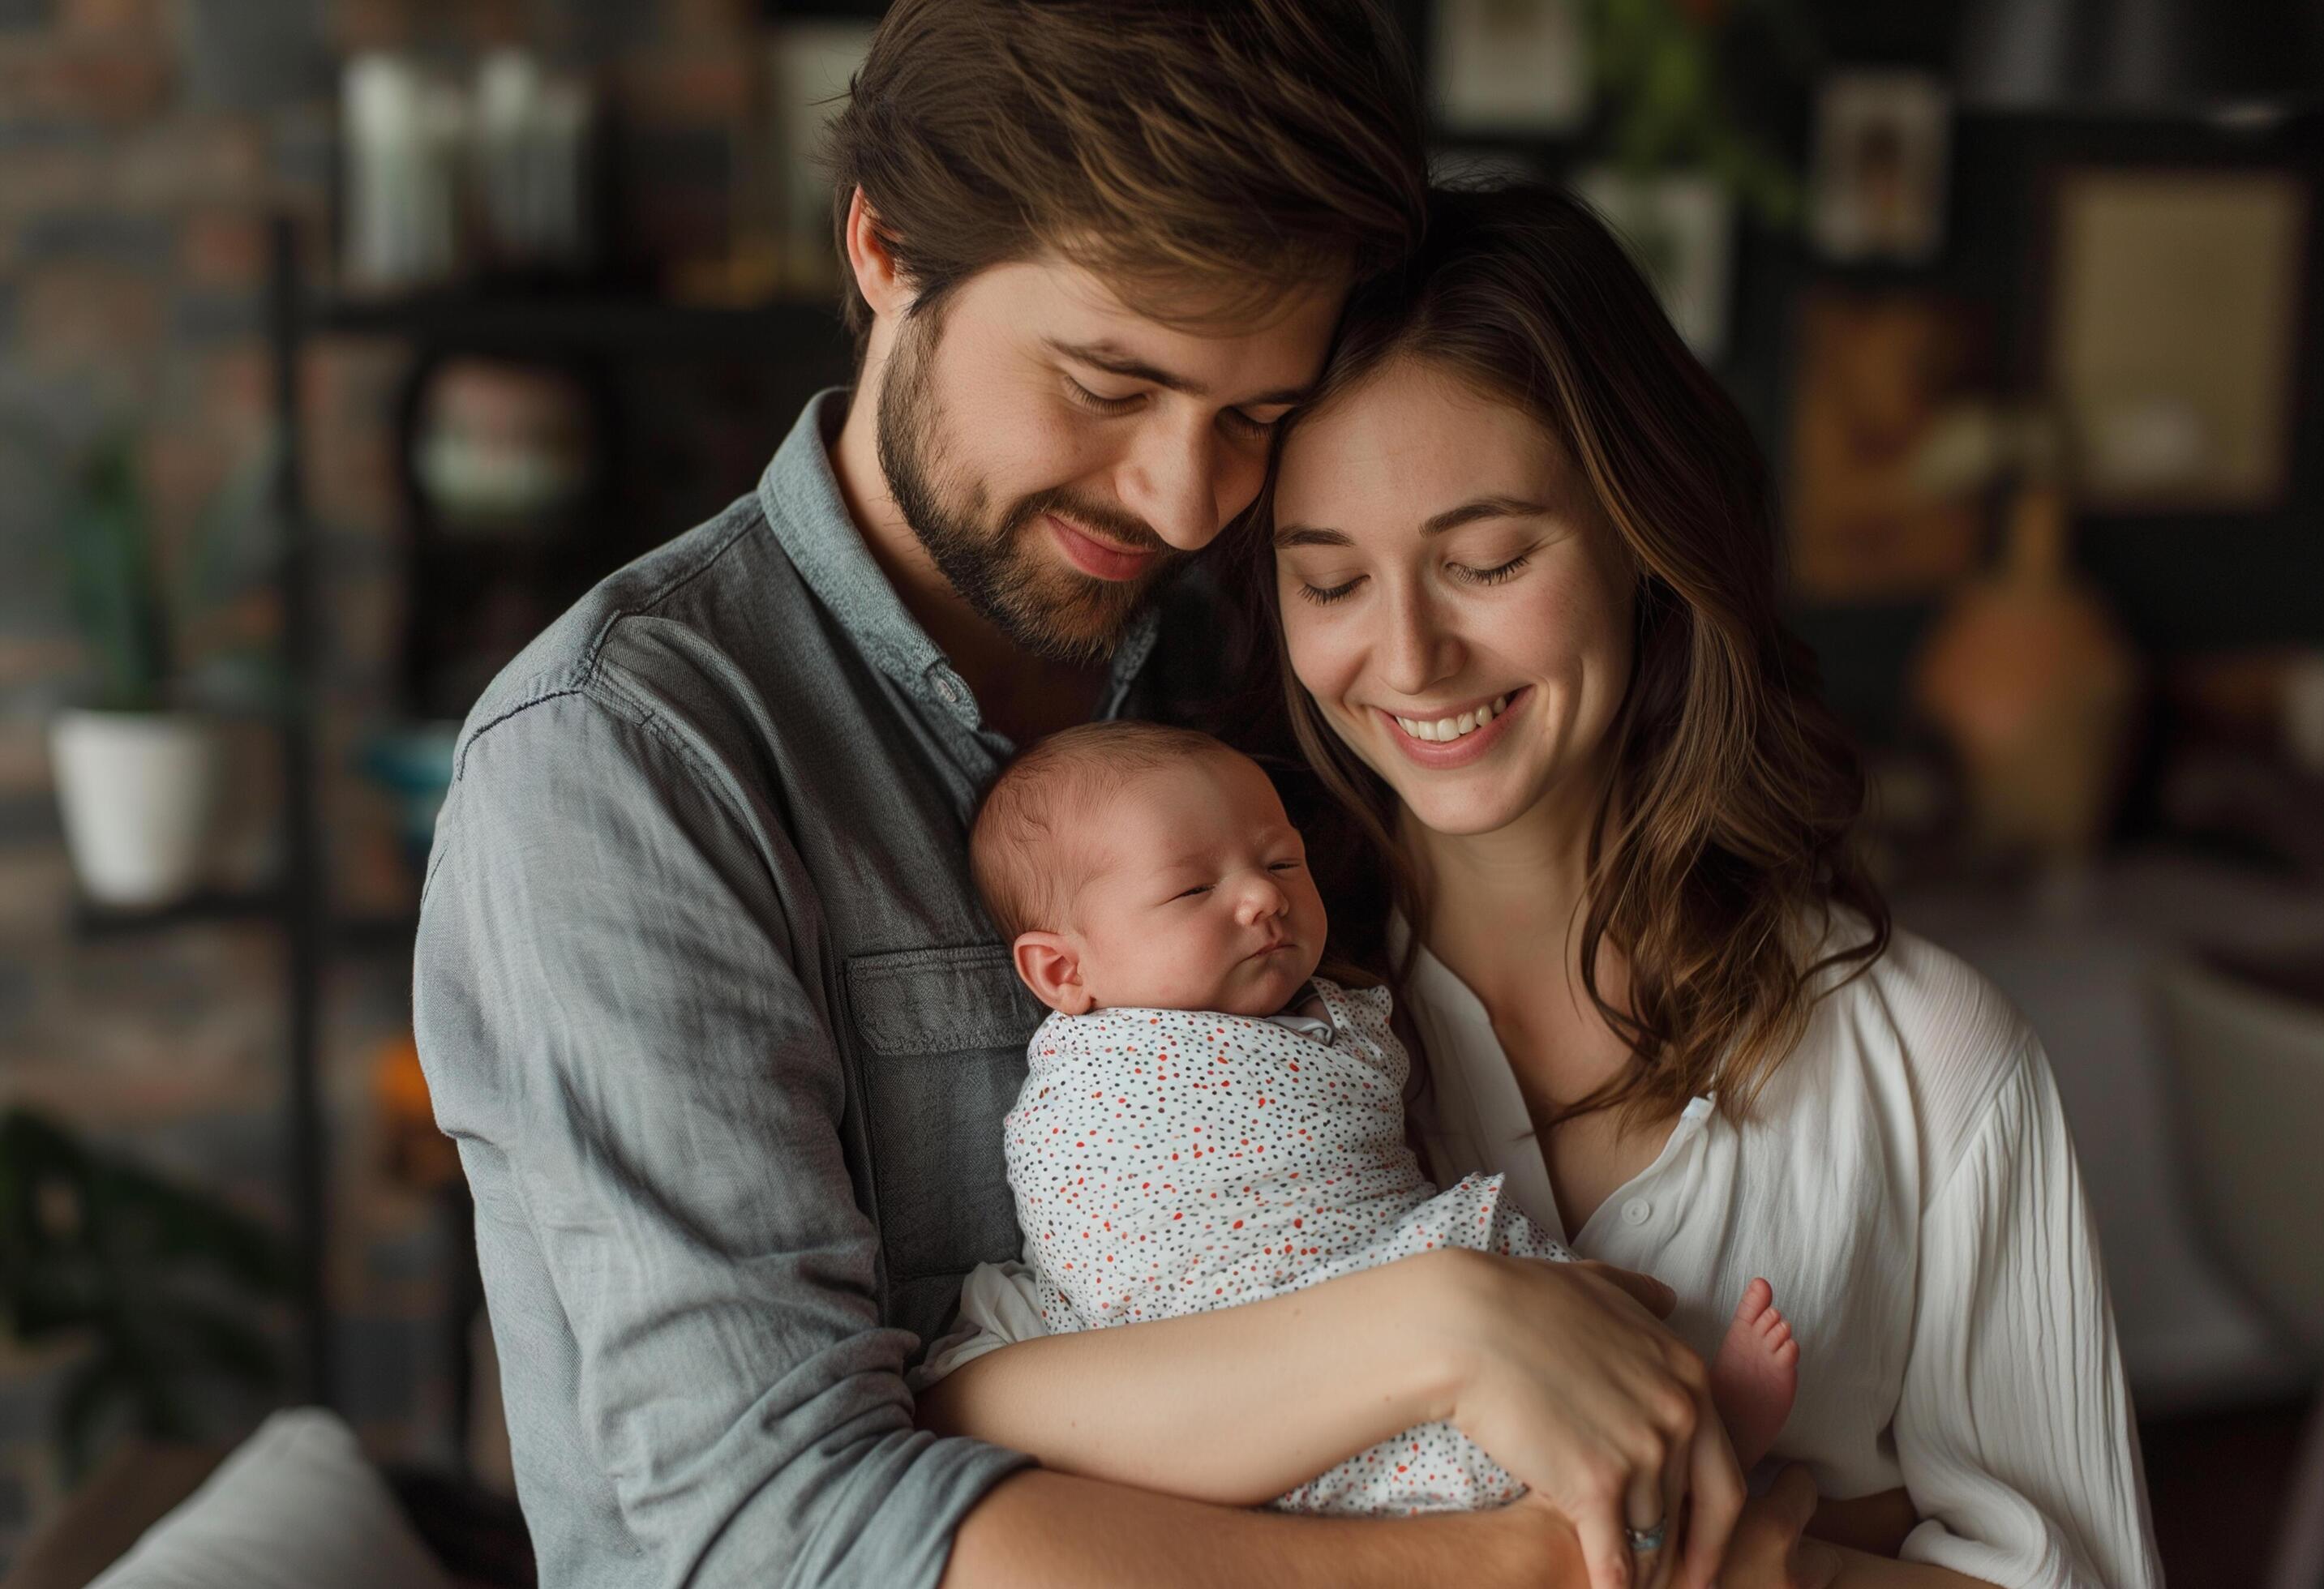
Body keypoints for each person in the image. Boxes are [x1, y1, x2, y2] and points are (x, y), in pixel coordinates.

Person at [413, 6, 1750, 1587]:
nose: (1186, 497)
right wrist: (1510, 1515)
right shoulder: (626, 763)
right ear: (887, 249)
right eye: (1110, 383)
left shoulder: (1265, 648)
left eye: (1253, 415)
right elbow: (775, 1535)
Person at [914, 184, 2168, 1588]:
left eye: (1487, 560)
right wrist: (1458, 1339)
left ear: (1645, 540)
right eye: (1330, 584)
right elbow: (966, 1420)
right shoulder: (1205, 1038)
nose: (1411, 658)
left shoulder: (1933, 1067)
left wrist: (1777, 1573)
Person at [943, 719, 1801, 1519]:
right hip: (1225, 1331)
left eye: (1281, 862)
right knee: (1467, 1391)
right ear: (1062, 971)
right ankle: (1664, 1470)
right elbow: (1094, 1238)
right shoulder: (1092, 1079)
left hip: (1383, 1254)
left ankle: (1672, 1439)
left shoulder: (1339, 1007)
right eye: (1194, 887)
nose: (1261, 900)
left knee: (1536, 1308)